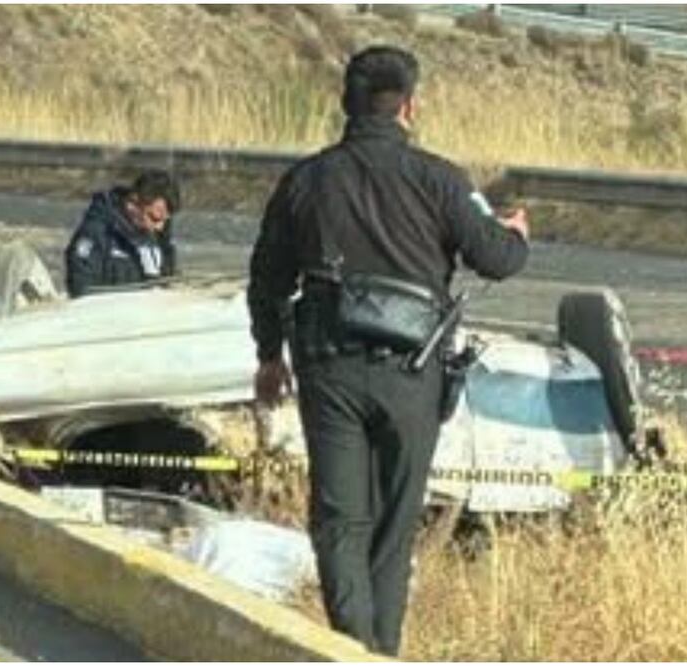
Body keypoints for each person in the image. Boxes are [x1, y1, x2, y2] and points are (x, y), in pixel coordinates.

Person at [247, 46, 529, 655]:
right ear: (409, 106)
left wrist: (269, 355)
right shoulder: (441, 179)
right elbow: (497, 259)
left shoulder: (306, 180)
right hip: (413, 372)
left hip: (329, 367)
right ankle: (380, 652)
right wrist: (516, 233)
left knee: (339, 522)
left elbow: (267, 278)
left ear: (345, 104)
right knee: (395, 529)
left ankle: (352, 647)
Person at [65, 170, 180, 297]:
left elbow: (167, 280)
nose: (160, 227)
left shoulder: (160, 233)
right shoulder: (97, 232)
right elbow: (81, 290)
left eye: (166, 220)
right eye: (154, 218)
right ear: (133, 204)